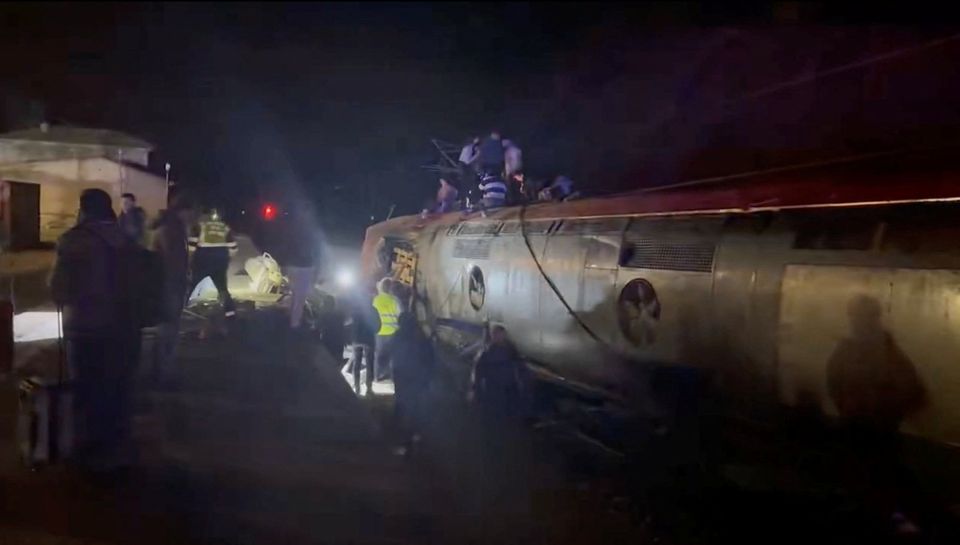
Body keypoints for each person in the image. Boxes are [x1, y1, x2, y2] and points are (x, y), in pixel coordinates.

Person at [49, 188, 139, 470]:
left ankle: (88, 450)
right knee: (115, 386)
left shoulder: (71, 241)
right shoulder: (125, 239)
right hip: (122, 327)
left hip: (85, 327)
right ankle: (116, 447)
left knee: (86, 388)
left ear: (83, 209)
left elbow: (59, 289)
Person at [149, 197, 192, 386]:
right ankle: (163, 375)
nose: (194, 217)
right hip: (169, 286)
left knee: (167, 331)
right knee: (168, 331)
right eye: (192, 212)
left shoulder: (172, 228)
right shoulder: (170, 231)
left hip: (168, 285)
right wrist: (181, 282)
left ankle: (162, 371)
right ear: (182, 211)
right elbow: (172, 263)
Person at [269, 204, 322, 329]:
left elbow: (284, 247)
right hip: (304, 266)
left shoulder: (291, 230)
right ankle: (294, 324)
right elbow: (316, 252)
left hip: (294, 266)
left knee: (295, 294)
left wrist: (283, 265)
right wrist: (317, 269)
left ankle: (291, 319)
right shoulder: (311, 232)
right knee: (300, 296)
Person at [390, 312, 435, 452]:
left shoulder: (397, 335)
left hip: (402, 374)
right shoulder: (421, 336)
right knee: (418, 404)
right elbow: (430, 356)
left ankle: (403, 439)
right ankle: (418, 434)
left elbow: (390, 352)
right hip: (418, 375)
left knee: (402, 404)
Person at [188, 207, 238, 322]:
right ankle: (230, 314)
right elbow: (233, 247)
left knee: (190, 284)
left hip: (203, 258)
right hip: (220, 258)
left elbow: (192, 244)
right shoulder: (224, 227)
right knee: (222, 288)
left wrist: (190, 260)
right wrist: (227, 260)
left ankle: (178, 311)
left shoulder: (200, 225)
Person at [470, 325, 528, 420]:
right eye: (495, 335)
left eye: (500, 334)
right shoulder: (486, 352)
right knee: (492, 416)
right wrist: (475, 390)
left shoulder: (510, 349)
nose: (498, 337)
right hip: (492, 390)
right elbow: (477, 371)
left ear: (504, 335)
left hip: (508, 389)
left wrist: (521, 382)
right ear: (492, 336)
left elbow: (519, 364)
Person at [371, 277, 401, 381]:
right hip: (393, 332)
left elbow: (372, 315)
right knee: (392, 356)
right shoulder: (395, 300)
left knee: (378, 355)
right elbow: (400, 316)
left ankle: (377, 376)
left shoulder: (376, 300)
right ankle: (393, 378)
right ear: (390, 288)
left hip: (379, 332)